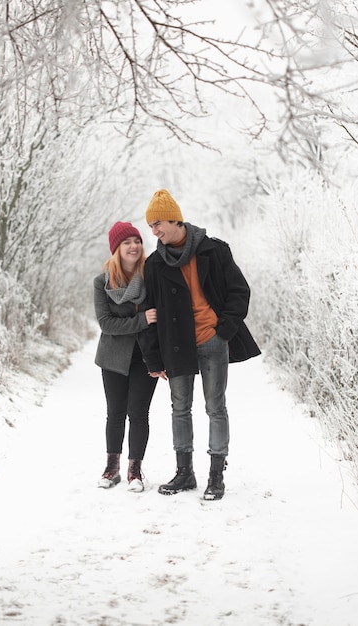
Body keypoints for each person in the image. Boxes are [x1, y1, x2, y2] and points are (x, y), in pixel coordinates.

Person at [141, 189, 261, 500]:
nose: (153, 231)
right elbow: (150, 313)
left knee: (215, 407)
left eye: (157, 224)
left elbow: (239, 292)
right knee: (179, 408)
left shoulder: (214, 251)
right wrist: (154, 360)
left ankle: (215, 476)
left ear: (175, 219)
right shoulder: (155, 264)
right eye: (151, 226)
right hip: (176, 345)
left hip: (212, 340)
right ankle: (185, 473)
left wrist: (224, 330)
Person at [94, 221, 158, 493]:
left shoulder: (151, 276)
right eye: (127, 242)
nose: (134, 246)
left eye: (137, 241)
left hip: (145, 357)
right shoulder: (103, 282)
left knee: (139, 413)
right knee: (115, 413)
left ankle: (135, 471)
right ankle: (112, 467)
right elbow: (106, 324)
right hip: (113, 359)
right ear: (116, 249)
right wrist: (142, 319)